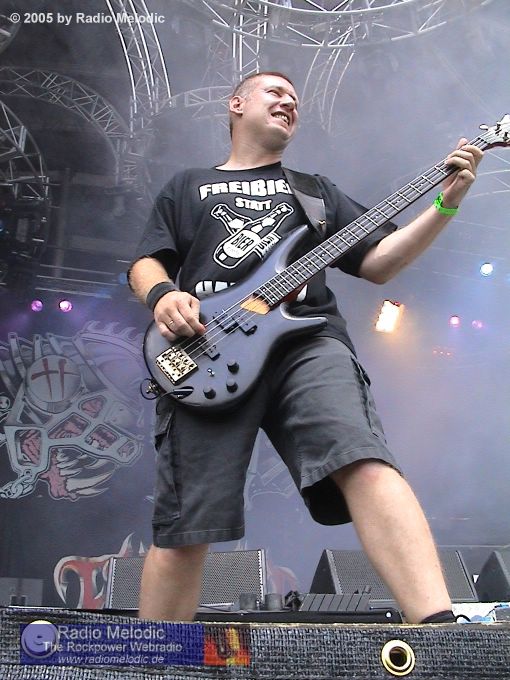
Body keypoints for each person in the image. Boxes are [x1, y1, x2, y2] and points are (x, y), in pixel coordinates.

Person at [128, 71, 483, 623]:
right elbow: (147, 260)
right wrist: (163, 295)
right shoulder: (188, 185)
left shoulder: (315, 191)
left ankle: (442, 630)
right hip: (206, 350)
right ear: (236, 104)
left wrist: (445, 204)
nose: (289, 100)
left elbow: (379, 262)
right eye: (275, 92)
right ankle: (156, 656)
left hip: (306, 343)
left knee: (362, 458)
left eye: (294, 98)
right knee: (186, 523)